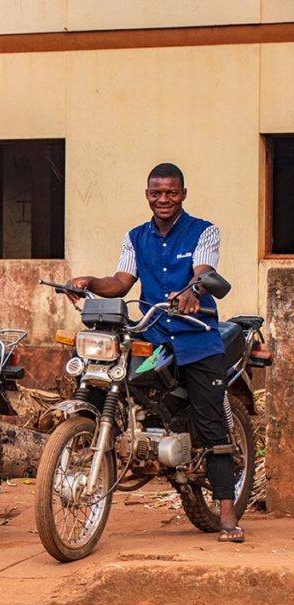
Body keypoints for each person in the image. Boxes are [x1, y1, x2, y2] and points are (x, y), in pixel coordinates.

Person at [68, 162, 243, 543]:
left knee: (212, 424)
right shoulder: (135, 237)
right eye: (156, 193)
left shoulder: (204, 230)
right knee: (115, 383)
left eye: (171, 192)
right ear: (147, 195)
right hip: (154, 334)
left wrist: (192, 292)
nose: (163, 199)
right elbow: (120, 282)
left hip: (197, 337)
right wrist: (89, 282)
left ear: (183, 193)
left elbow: (204, 271)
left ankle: (228, 513)